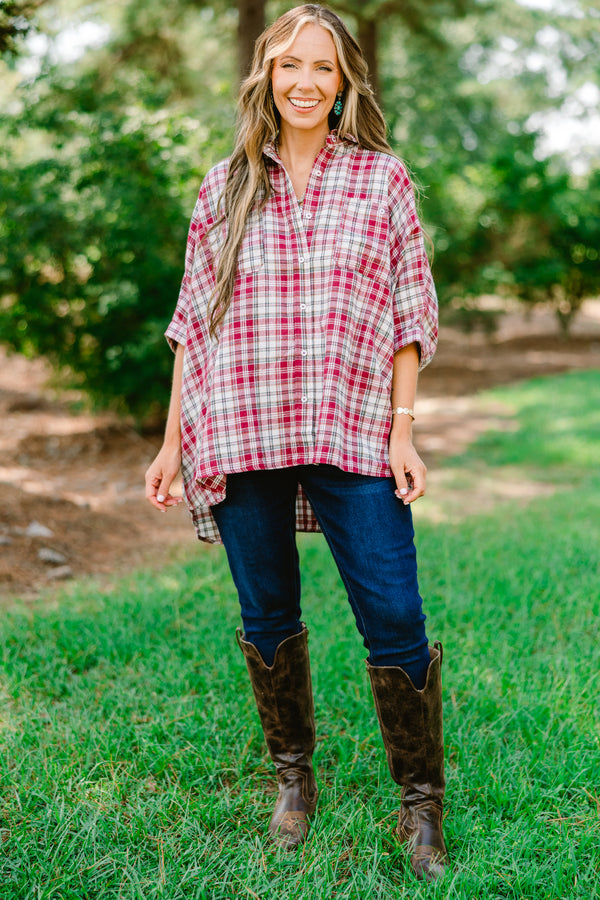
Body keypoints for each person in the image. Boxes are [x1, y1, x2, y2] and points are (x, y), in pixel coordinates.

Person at [145, 3, 447, 882]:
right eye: (288, 66)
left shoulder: (382, 182)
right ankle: (293, 781)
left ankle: (421, 802)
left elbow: (408, 314)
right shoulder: (224, 185)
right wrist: (171, 445)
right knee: (267, 615)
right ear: (266, 78)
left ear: (345, 79)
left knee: (395, 615)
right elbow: (192, 327)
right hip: (243, 425)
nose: (305, 81)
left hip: (354, 430)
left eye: (322, 66)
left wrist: (404, 434)